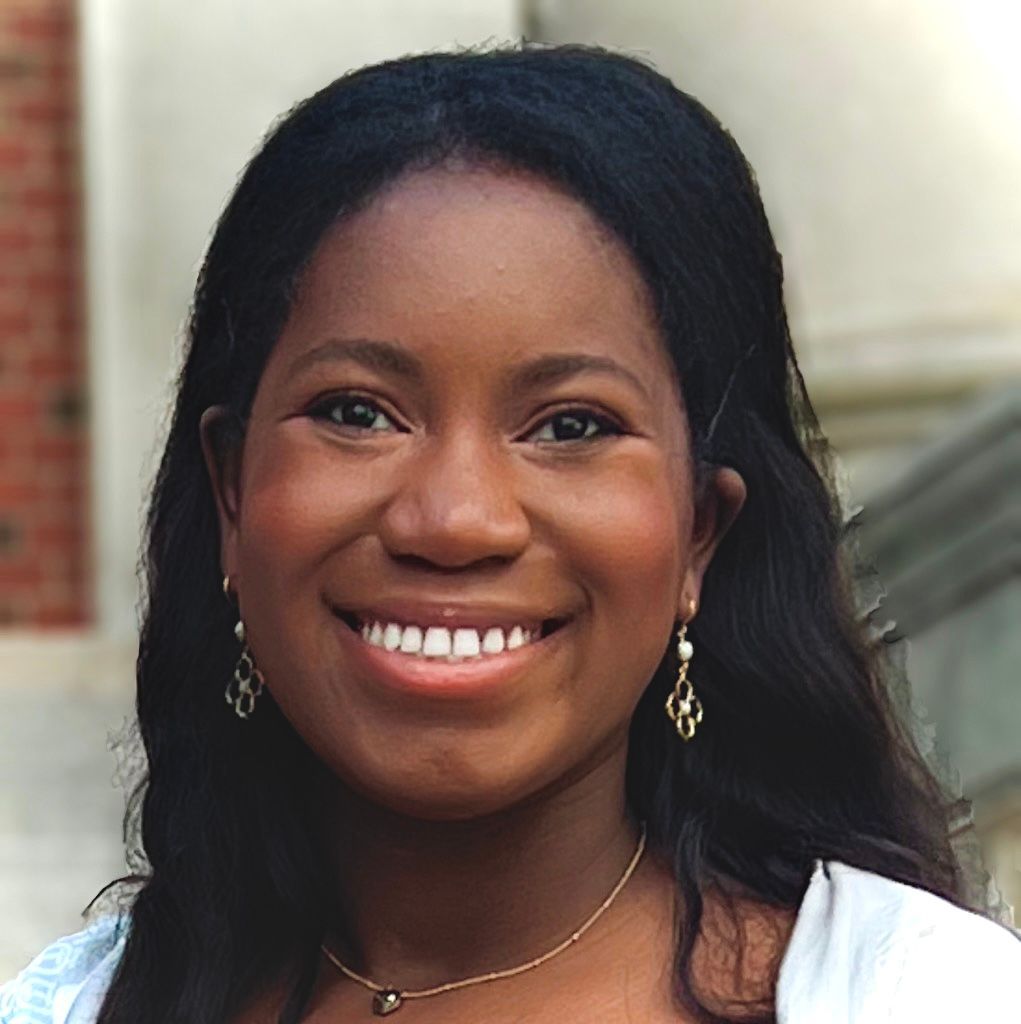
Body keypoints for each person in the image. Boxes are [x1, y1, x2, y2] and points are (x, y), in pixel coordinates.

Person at [2, 43, 1018, 1024]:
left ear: (699, 533)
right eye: (358, 411)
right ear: (232, 493)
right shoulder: (73, 1008)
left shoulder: (924, 999)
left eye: (571, 425)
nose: (454, 519)